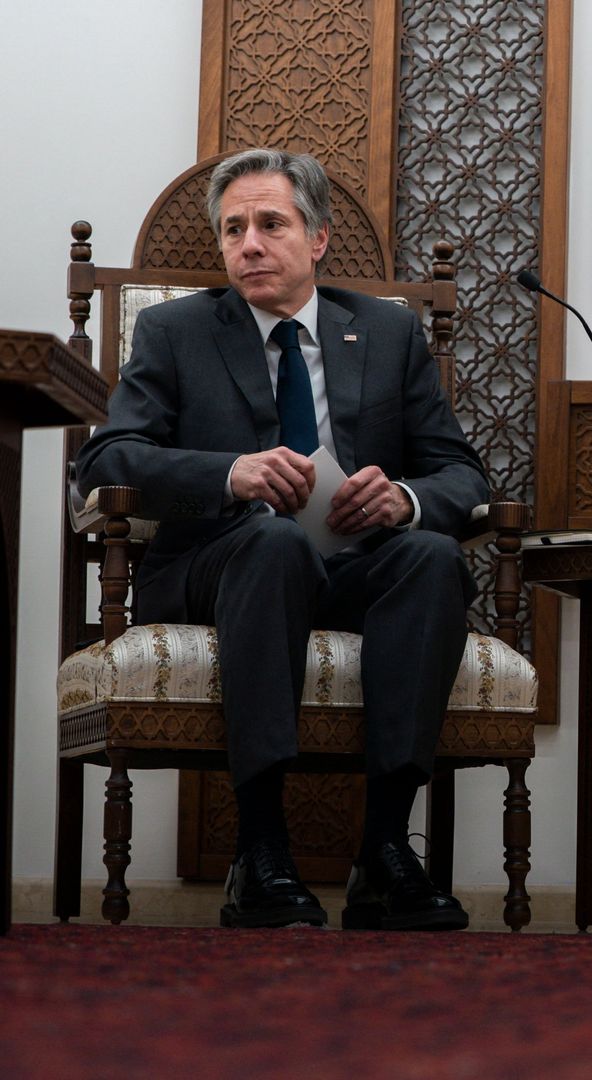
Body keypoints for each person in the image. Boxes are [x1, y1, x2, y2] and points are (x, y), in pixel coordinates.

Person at [75, 148, 488, 931]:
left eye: (271, 224)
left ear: (319, 239)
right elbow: (102, 460)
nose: (250, 245)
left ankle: (385, 851)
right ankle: (260, 850)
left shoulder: (390, 333)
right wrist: (230, 472)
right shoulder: (176, 330)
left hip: (351, 563)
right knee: (274, 546)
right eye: (233, 229)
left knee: (431, 557)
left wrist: (402, 498)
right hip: (216, 564)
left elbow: (462, 476)